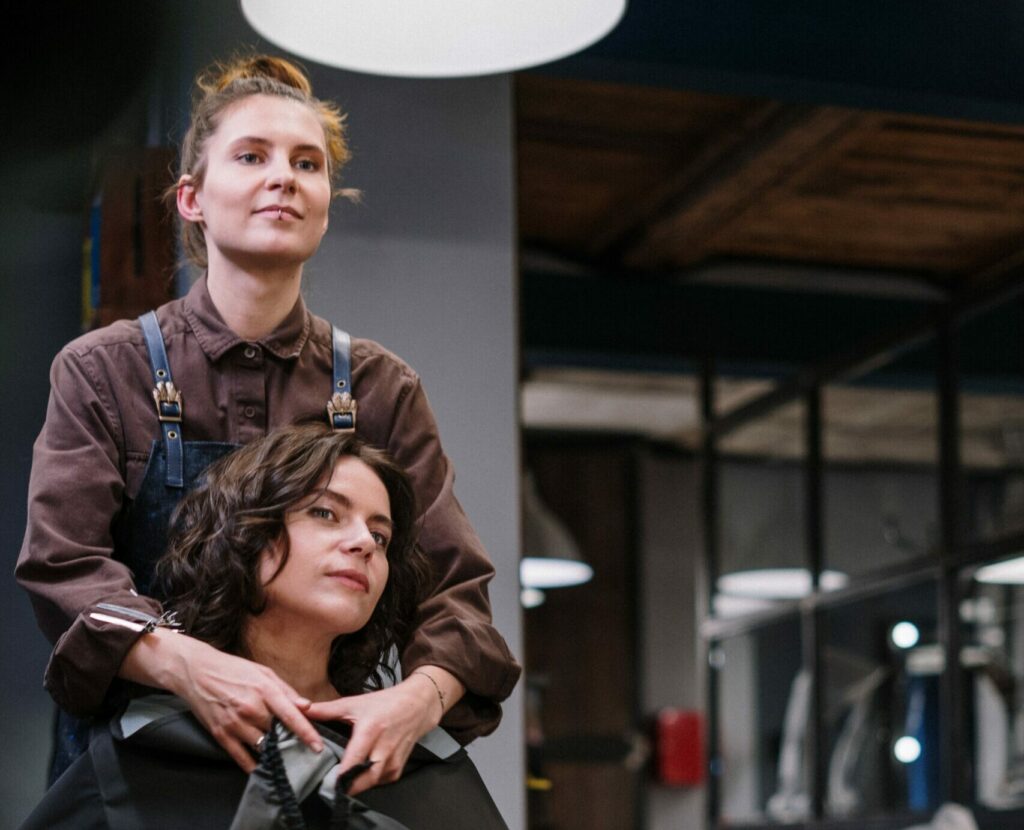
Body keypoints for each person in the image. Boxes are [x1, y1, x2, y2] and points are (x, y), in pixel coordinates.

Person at [15, 54, 519, 793]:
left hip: (328, 756)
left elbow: (456, 593)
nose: (283, 176)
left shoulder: (382, 390)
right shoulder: (103, 372)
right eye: (251, 156)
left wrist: (421, 698)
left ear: (325, 198)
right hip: (141, 758)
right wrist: (186, 663)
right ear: (191, 197)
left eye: (307, 163)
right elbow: (64, 571)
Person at [20, 423, 508, 829]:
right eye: (325, 512)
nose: (363, 542)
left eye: (380, 536)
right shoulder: (145, 756)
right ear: (245, 536)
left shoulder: (424, 761)